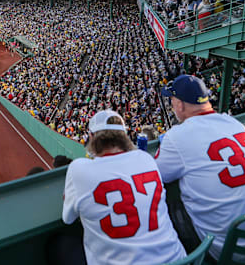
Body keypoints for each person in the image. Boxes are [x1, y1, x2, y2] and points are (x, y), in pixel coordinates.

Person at [156, 75, 245, 260]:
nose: (171, 104)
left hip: (232, 250)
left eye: (172, 100)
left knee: (168, 209)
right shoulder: (233, 123)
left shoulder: (177, 136)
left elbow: (157, 175)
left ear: (180, 104)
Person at [61, 109, 186, 265]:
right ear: (125, 137)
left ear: (92, 137)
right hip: (178, 260)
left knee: (59, 246)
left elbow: (68, 218)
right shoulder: (145, 158)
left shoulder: (78, 168)